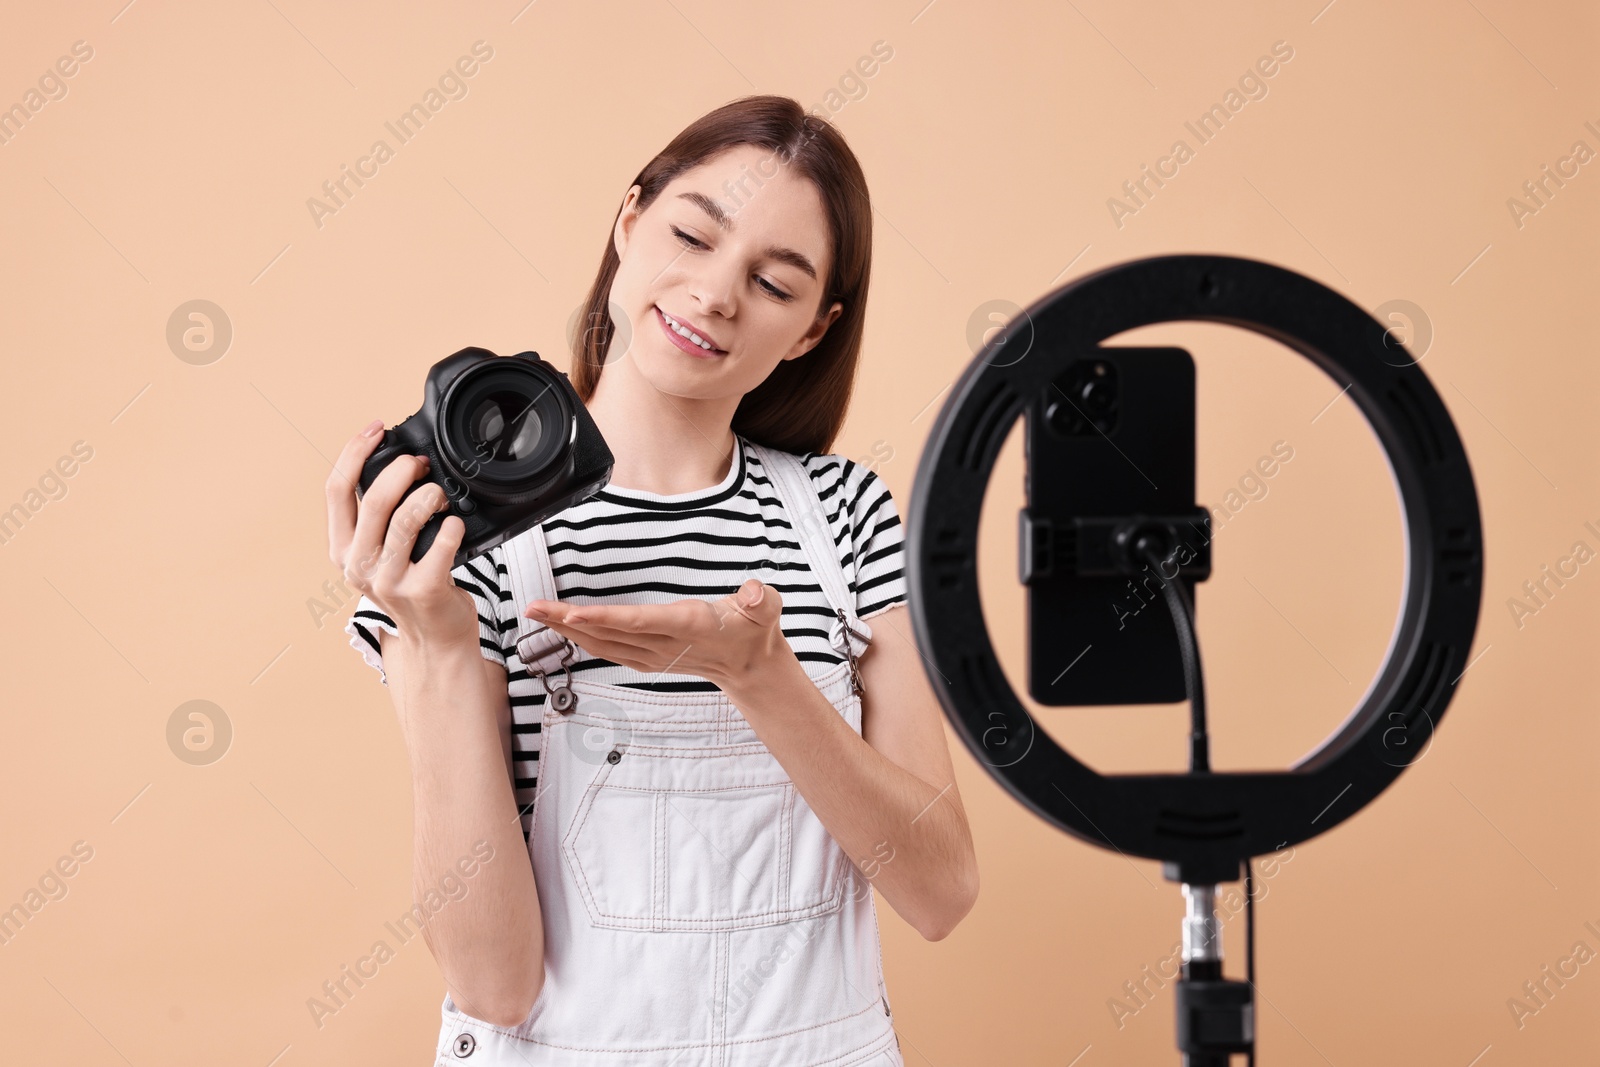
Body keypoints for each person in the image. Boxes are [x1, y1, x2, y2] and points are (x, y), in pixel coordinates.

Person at [325, 94, 978, 1066]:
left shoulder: (847, 514)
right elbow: (494, 982)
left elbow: (939, 891)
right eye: (692, 235)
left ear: (812, 329)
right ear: (628, 221)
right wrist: (440, 643)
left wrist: (764, 678)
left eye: (774, 281)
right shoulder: (466, 534)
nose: (716, 293)